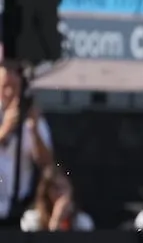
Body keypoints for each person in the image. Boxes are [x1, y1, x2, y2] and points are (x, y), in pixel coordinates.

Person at [0, 64, 54, 225]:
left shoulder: (32, 118)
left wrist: (34, 129)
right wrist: (5, 131)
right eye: (5, 87)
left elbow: (47, 163)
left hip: (18, 209)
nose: (9, 93)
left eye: (14, 88)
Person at [20, 165, 94, 232]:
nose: (61, 193)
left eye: (64, 188)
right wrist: (57, 218)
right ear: (46, 192)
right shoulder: (31, 219)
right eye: (56, 188)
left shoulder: (82, 221)